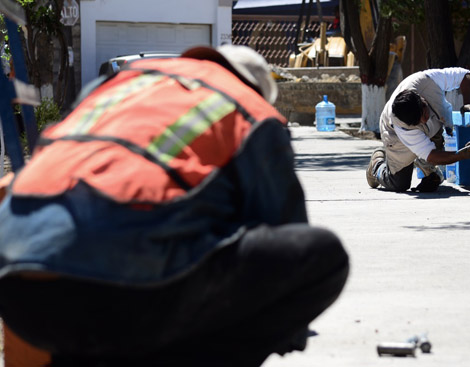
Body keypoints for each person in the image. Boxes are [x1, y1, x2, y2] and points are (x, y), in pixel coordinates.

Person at [0, 45, 349, 367]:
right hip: (119, 292)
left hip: (18, 293)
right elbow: (284, 222)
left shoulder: (120, 84)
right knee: (321, 256)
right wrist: (288, 329)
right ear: (257, 89)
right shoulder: (249, 107)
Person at [366, 67, 470, 192]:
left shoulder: (428, 80)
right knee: (399, 184)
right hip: (394, 136)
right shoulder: (402, 127)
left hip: (430, 130)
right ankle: (377, 164)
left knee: (433, 146)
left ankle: (424, 162)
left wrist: (469, 104)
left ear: (420, 98)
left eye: (425, 112)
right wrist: (461, 155)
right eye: (418, 122)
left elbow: (466, 76)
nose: (425, 120)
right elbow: (431, 155)